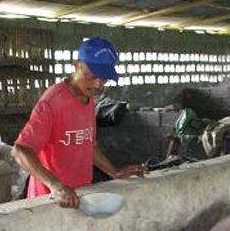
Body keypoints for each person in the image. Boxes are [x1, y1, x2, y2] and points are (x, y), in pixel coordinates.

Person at [12, 37, 145, 208]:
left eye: (104, 79)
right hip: (51, 201)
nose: (98, 85)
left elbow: (88, 144)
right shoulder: (53, 102)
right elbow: (20, 150)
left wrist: (115, 172)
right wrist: (55, 186)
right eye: (93, 76)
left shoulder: (88, 99)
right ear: (76, 65)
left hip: (80, 196)